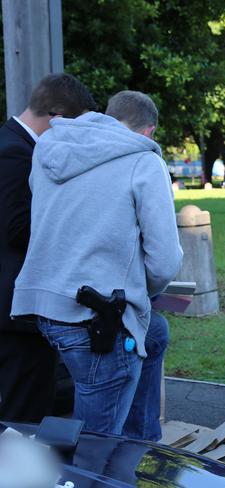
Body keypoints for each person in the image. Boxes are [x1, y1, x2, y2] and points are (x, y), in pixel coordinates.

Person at [11, 90, 183, 440]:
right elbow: (164, 262)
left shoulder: (50, 147)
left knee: (155, 332)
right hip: (98, 321)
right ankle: (107, 464)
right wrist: (143, 289)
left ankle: (140, 441)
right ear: (148, 132)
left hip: (44, 305)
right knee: (94, 447)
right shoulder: (144, 160)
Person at [0, 73, 97, 422]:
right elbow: (16, 229)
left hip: (16, 309)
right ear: (55, 117)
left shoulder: (13, 144)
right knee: (22, 420)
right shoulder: (15, 152)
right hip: (13, 313)